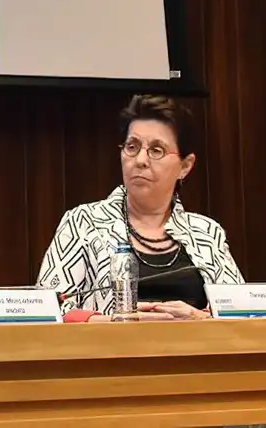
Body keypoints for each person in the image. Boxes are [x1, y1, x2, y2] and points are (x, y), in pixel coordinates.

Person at [37, 94, 244, 322]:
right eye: (132, 147)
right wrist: (118, 322)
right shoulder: (83, 222)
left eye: (156, 150)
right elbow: (46, 309)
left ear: (185, 166)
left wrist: (199, 319)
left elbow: (242, 313)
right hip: (111, 344)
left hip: (196, 344)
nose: (140, 160)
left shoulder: (207, 233)